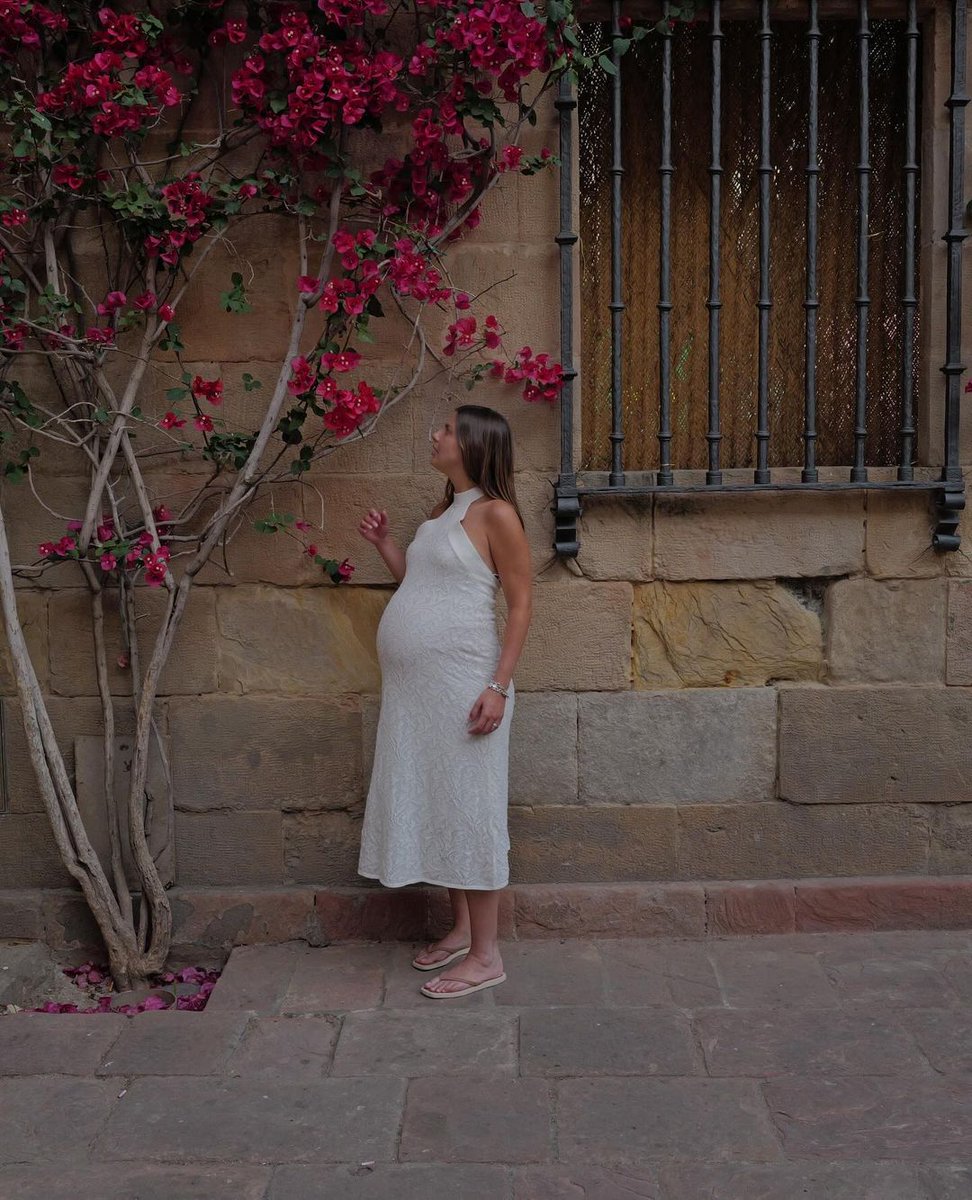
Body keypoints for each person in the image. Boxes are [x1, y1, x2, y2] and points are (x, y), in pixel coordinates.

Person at [356, 402, 533, 998]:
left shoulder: (497, 514)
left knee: (470, 809)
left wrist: (498, 686)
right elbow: (422, 584)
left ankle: (487, 956)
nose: (436, 435)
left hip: (466, 686)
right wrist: (385, 546)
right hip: (418, 693)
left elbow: (522, 604)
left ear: (476, 443)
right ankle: (461, 929)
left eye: (448, 430)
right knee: (442, 802)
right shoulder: (443, 511)